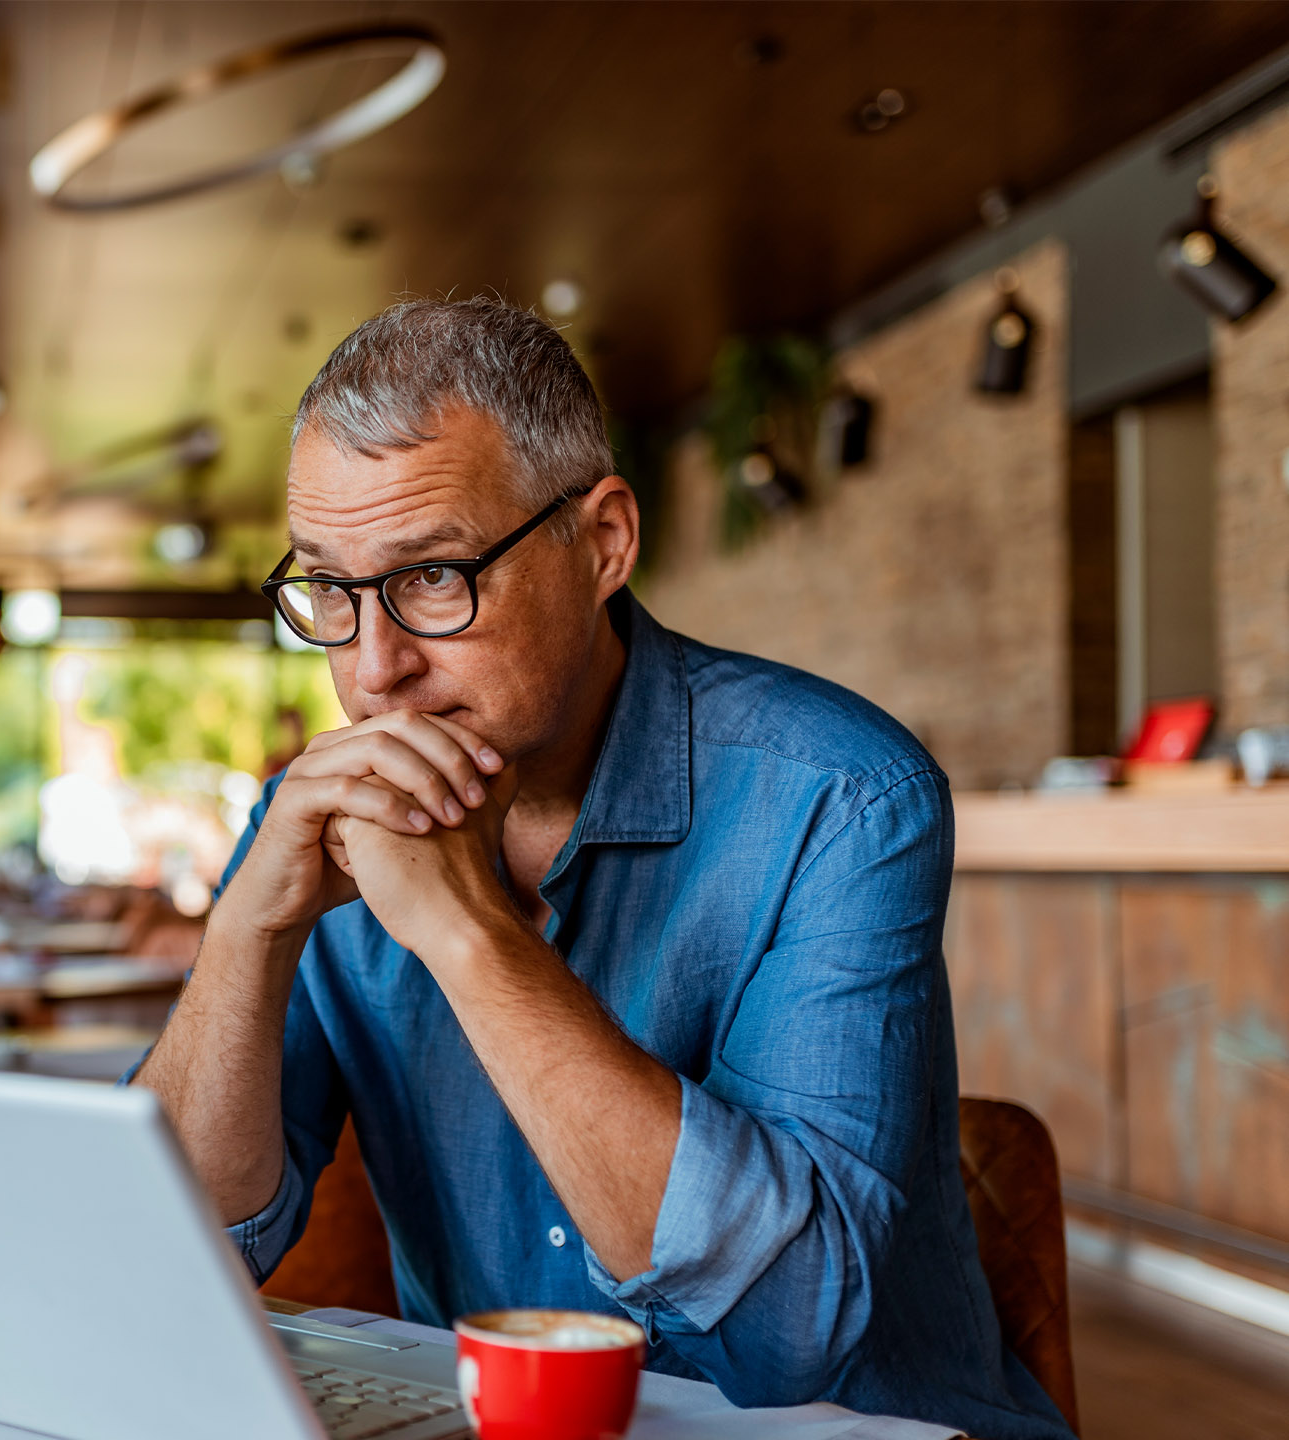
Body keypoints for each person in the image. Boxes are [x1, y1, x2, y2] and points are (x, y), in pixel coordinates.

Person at [132, 298, 1073, 1440]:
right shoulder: (321, 819)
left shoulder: (841, 796)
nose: (375, 668)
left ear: (604, 544)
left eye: (434, 575)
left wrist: (470, 936)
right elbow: (163, 1257)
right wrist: (245, 933)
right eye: (330, 589)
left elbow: (787, 1330)